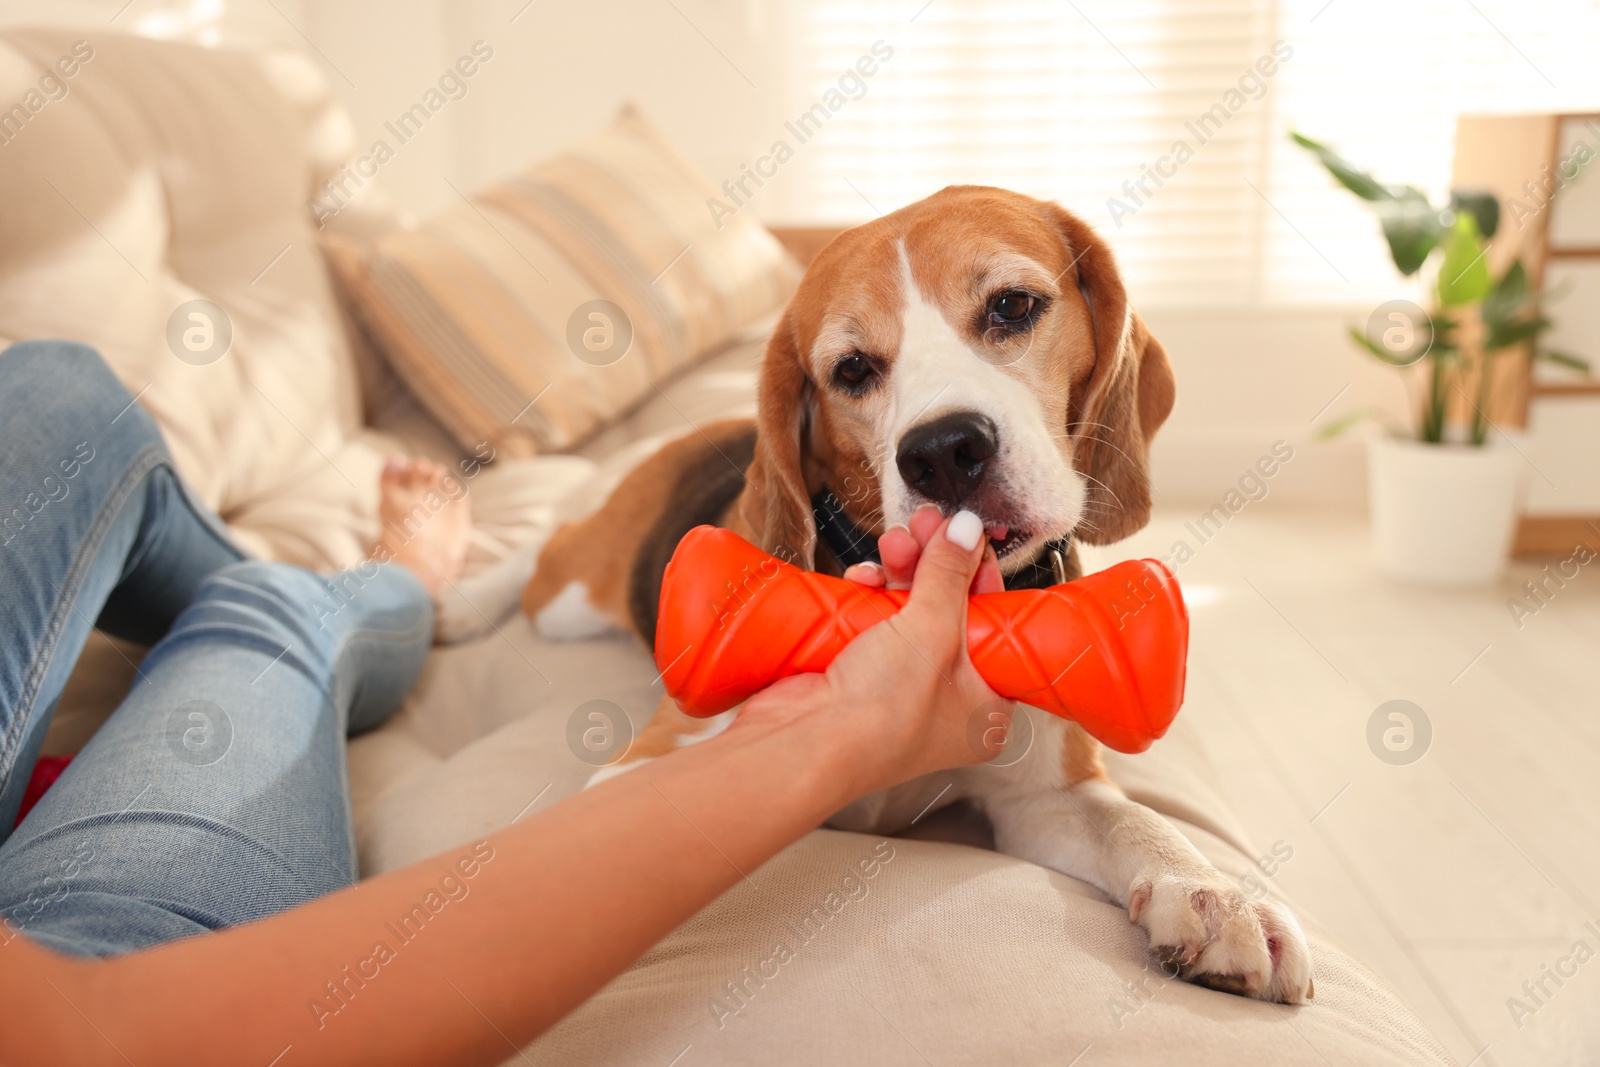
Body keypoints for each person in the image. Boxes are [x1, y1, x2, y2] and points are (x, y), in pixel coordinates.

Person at [0, 340, 1010, 1066]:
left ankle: (338, 581)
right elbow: (102, 1031)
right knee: (264, 609)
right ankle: (394, 581)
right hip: (80, 965)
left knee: (59, 393)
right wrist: (834, 730)